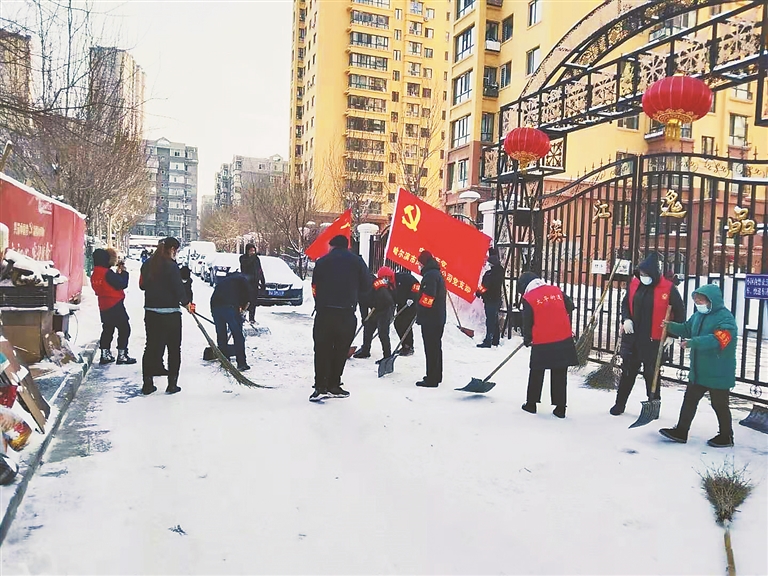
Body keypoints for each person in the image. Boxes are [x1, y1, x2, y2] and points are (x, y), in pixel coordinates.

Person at [659, 284, 738, 447]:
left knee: (719, 404)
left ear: (711, 300)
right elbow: (687, 329)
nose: (698, 303)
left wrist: (693, 343)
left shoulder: (726, 318)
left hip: (718, 371)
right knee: (690, 400)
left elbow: (719, 339)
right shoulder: (698, 316)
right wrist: (670, 326)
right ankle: (681, 431)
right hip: (699, 370)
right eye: (696, 301)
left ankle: (726, 436)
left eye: (701, 300)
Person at [610, 252, 686, 415]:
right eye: (641, 274)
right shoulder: (635, 284)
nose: (643, 277)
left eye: (646, 274)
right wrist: (626, 319)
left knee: (651, 374)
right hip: (633, 337)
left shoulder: (668, 288)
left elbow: (680, 311)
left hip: (653, 339)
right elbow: (625, 304)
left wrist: (672, 334)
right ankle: (619, 404)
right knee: (628, 372)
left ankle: (653, 406)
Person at [310, 235, 371, 402]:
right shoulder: (357, 262)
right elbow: (366, 285)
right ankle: (334, 385)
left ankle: (320, 386)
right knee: (340, 350)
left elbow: (314, 287)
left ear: (332, 246)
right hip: (346, 314)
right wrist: (354, 296)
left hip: (324, 313)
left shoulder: (322, 262)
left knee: (322, 349)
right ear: (347, 246)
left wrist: (320, 301)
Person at [518, 272, 577, 418]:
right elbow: (570, 306)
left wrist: (527, 339)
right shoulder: (556, 290)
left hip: (543, 340)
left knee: (537, 372)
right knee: (560, 372)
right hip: (563, 337)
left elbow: (527, 322)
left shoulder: (529, 298)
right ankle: (560, 408)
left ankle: (531, 404)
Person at [139, 237, 193, 395]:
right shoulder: (171, 265)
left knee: (150, 347)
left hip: (151, 312)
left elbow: (142, 286)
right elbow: (178, 288)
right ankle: (172, 384)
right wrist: (186, 303)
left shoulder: (148, 264)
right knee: (174, 349)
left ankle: (147, 384)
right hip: (170, 314)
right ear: (172, 249)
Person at [90, 248, 136, 365]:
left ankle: (105, 354)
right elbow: (121, 284)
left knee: (108, 329)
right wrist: (124, 273)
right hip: (115, 303)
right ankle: (122, 355)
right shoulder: (107, 273)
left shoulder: (95, 273)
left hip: (103, 304)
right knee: (124, 328)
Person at [415, 251, 446, 388]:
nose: (419, 265)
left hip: (431, 319)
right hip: (437, 317)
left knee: (431, 348)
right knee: (436, 347)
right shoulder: (436, 273)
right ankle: (436, 375)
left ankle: (431, 379)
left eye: (420, 263)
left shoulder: (430, 276)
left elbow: (428, 298)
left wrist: (420, 310)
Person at [210, 270, 251, 371]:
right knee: (238, 335)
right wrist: (242, 310)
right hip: (230, 307)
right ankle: (241, 363)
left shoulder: (225, 281)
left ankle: (225, 361)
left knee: (221, 334)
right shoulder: (243, 281)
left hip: (215, 306)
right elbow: (247, 298)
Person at [353, 266, 395, 360]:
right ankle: (365, 351)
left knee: (382, 333)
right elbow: (362, 303)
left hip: (385, 308)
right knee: (368, 328)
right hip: (374, 309)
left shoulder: (376, 283)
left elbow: (387, 299)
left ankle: (387, 356)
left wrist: (377, 304)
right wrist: (364, 318)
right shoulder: (358, 288)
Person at [476, 248, 504, 348]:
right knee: (494, 320)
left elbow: (486, 286)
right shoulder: (499, 271)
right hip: (495, 299)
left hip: (491, 299)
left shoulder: (490, 274)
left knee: (490, 321)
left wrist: (479, 292)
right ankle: (495, 340)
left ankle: (488, 340)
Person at [394, 270, 420, 356]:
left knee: (406, 324)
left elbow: (417, 285)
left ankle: (409, 347)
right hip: (401, 305)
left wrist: (412, 297)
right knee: (397, 323)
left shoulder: (403, 277)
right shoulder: (389, 284)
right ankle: (404, 345)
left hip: (412, 304)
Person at [239, 244, 266, 323]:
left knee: (253, 302)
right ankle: (242, 318)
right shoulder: (243, 258)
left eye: (254, 251)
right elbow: (245, 265)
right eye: (251, 251)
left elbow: (260, 270)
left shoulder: (256, 259)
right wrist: (253, 257)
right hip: (246, 283)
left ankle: (252, 318)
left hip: (254, 283)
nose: (252, 252)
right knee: (245, 301)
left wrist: (263, 281)